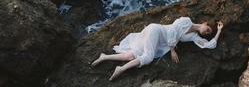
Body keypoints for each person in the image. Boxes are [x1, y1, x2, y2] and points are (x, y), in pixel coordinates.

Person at [91, 16, 224, 81]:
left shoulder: (194, 36)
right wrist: (172, 49)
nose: (206, 32)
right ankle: (121, 69)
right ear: (204, 23)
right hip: (157, 31)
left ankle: (105, 57)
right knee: (148, 58)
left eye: (207, 33)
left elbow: (210, 45)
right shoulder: (186, 20)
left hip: (159, 41)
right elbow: (172, 31)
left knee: (131, 55)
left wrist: (218, 31)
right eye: (207, 29)